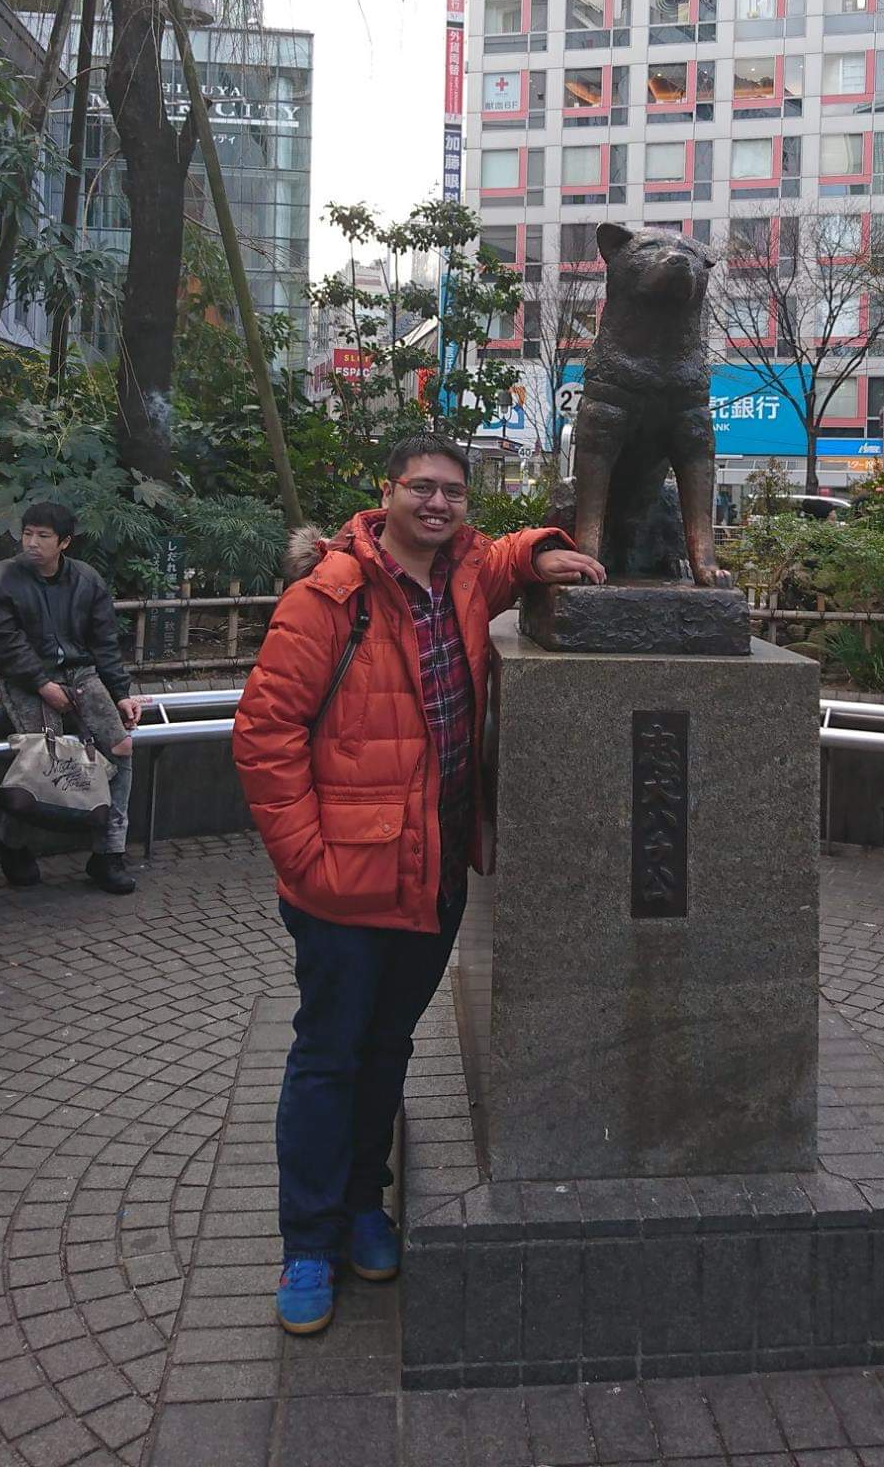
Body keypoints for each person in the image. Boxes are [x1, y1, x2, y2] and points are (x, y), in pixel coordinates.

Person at [233, 433, 605, 1337]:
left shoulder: (467, 575)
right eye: (422, 488)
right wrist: (307, 861)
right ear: (387, 493)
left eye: (453, 492)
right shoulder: (329, 597)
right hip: (342, 884)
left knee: (387, 1049)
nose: (438, 504)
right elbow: (264, 736)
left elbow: (503, 557)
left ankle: (366, 1201)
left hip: (433, 874)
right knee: (328, 1056)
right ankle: (308, 1242)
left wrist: (545, 551)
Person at [0, 501, 141, 895]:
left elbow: (104, 642)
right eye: (27, 534)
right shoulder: (4, 577)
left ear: (65, 542)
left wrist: (121, 694)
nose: (32, 543)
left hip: (80, 673)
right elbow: (4, 641)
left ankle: (108, 852)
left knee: (121, 745)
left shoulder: (87, 580)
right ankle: (11, 843)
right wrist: (42, 684)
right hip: (25, 678)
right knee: (42, 756)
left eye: (43, 536)